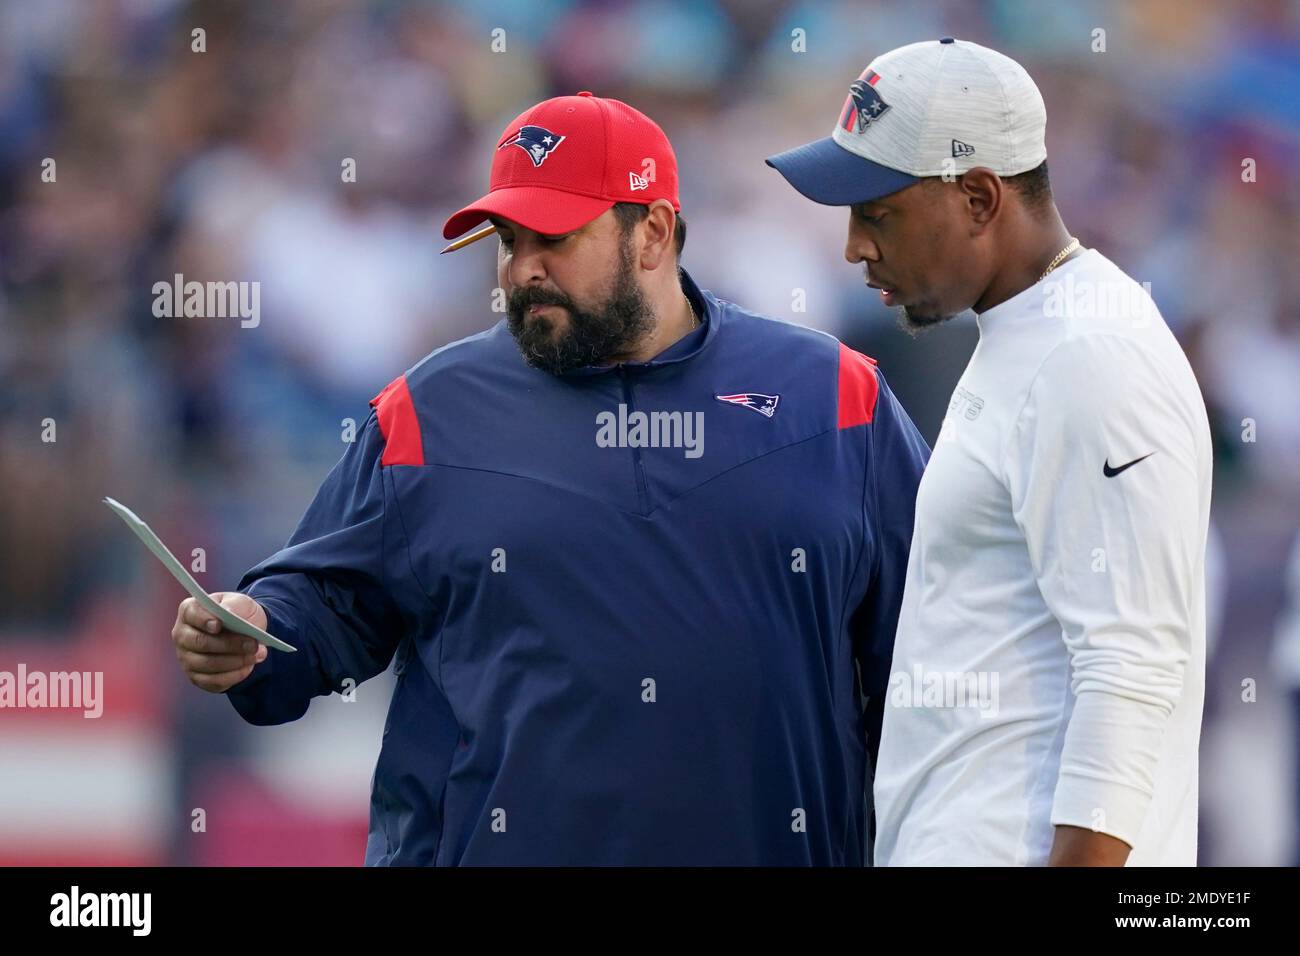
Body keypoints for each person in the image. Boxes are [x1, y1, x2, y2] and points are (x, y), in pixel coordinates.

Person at [170, 91, 930, 865]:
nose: (521, 269)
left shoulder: (834, 397)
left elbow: (939, 639)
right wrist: (256, 633)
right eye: (507, 238)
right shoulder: (430, 410)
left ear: (654, 233)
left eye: (553, 237)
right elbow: (323, 604)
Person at [767, 38, 1212, 866]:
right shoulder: (1034, 329)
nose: (854, 246)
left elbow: (1130, 670)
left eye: (878, 211)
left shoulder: (1089, 353)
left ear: (977, 196)